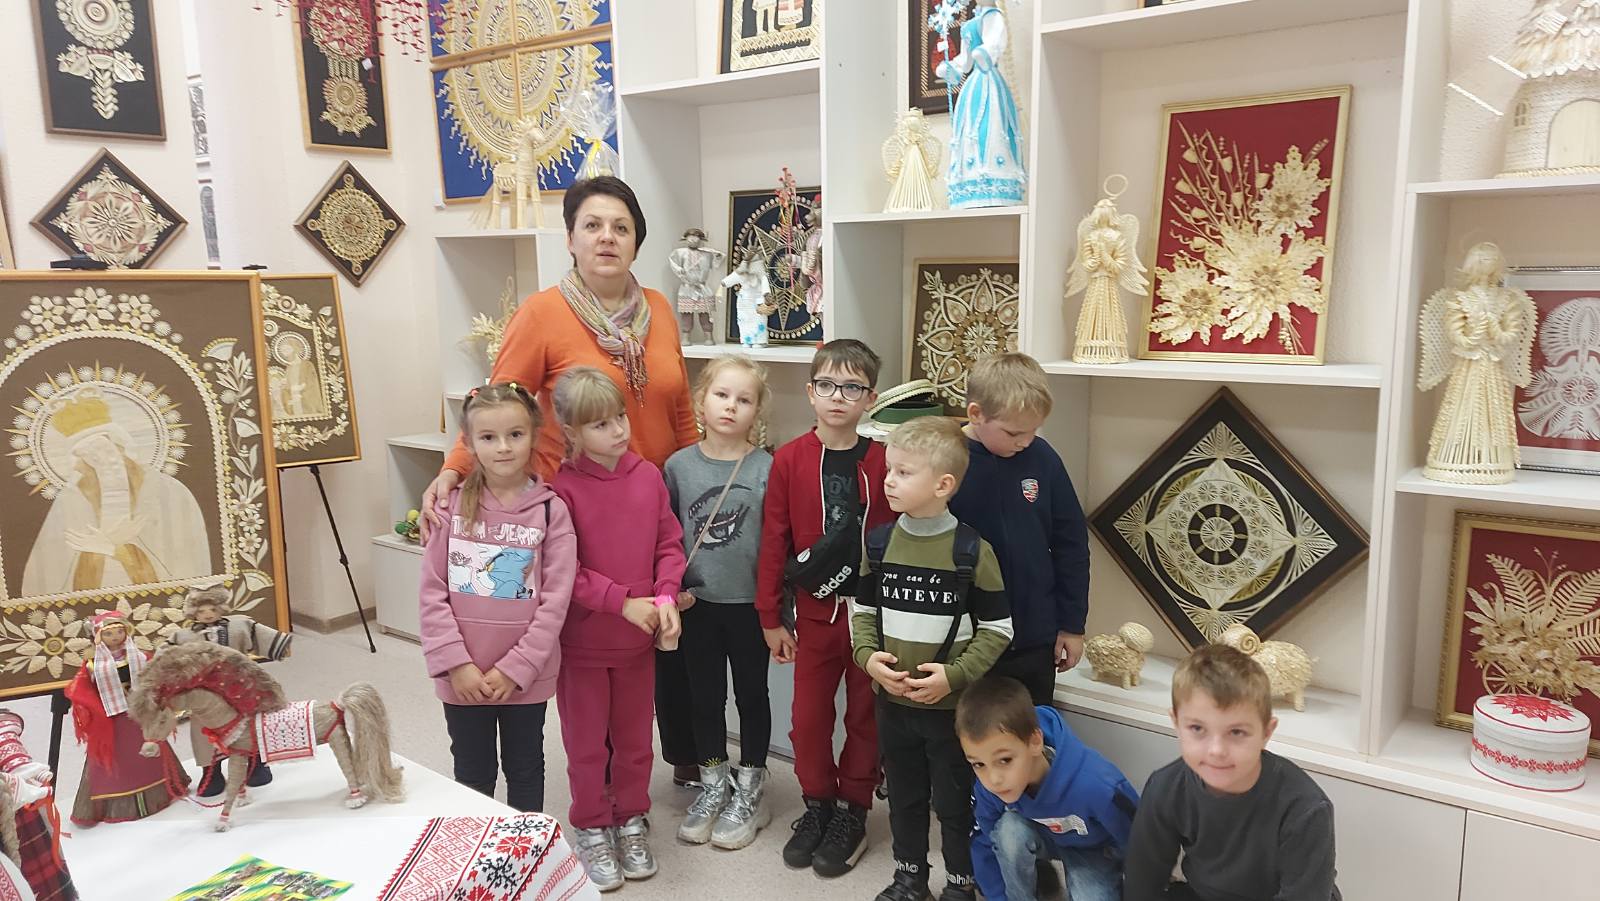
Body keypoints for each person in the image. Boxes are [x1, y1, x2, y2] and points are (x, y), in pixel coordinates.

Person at [420, 176, 700, 787]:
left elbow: (680, 409)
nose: (607, 237)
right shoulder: (542, 312)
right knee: (591, 653)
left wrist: (698, 480)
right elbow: (498, 403)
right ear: (570, 239)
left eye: (621, 227)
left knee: (656, 636)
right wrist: (453, 470)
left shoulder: (659, 308)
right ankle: (597, 788)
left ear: (637, 240)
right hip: (577, 512)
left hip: (651, 499)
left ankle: (665, 767)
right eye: (592, 225)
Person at [851, 416, 1013, 901]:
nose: (889, 481)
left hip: (951, 709)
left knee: (954, 802)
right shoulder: (879, 542)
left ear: (943, 485)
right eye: (889, 470)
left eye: (903, 472)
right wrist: (868, 659)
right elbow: (863, 612)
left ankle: (961, 882)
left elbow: (998, 628)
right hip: (893, 704)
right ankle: (909, 877)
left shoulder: (971, 550)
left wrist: (955, 675)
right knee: (904, 796)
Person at [756, 339, 894, 877]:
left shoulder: (884, 461)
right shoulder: (789, 459)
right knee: (808, 719)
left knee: (865, 717)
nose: (839, 397)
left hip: (871, 621)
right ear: (810, 391)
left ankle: (853, 809)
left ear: (870, 398)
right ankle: (817, 804)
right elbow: (774, 540)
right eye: (828, 385)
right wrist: (771, 617)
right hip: (814, 617)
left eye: (852, 387)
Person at [550, 368, 686, 893]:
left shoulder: (648, 476)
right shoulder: (561, 489)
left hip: (637, 644)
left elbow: (668, 545)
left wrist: (666, 595)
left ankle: (631, 818)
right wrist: (621, 602)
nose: (618, 430)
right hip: (583, 644)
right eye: (600, 424)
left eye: (620, 417)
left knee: (634, 742)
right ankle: (590, 825)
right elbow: (564, 569)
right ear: (572, 431)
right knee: (587, 745)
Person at [418, 383, 577, 814]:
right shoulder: (448, 508)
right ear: (469, 444)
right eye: (488, 437)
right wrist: (457, 665)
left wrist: (517, 667)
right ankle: (479, 849)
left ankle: (527, 850)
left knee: (525, 768)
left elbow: (555, 602)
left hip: (524, 678)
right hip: (462, 678)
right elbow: (432, 593)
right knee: (473, 772)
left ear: (535, 435)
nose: (503, 447)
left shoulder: (552, 512)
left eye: (515, 434)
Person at [1123, 645, 1341, 900]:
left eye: (1236, 732)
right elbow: (1142, 880)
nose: (1216, 751)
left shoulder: (1305, 808)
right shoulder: (1165, 787)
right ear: (1176, 723)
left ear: (1266, 732)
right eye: (1197, 728)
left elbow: (1304, 895)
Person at [664, 355, 775, 850]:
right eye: (721, 395)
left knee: (751, 696)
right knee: (704, 697)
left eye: (744, 399)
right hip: (698, 607)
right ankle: (713, 783)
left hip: (749, 607)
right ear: (701, 401)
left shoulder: (767, 468)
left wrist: (779, 611)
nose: (731, 406)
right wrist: (669, 590)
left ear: (757, 411)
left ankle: (750, 786)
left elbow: (776, 545)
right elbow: (666, 538)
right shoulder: (678, 467)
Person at [949, 353, 1090, 707]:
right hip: (967, 642)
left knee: (1034, 732)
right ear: (976, 414)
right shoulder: (945, 460)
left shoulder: (1044, 458)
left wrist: (1072, 625)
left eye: (1033, 431)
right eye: (1014, 433)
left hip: (1034, 639)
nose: (1025, 441)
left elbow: (1071, 545)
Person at [958, 675, 1138, 901]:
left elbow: (1139, 839)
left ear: (1035, 742)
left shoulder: (1098, 785)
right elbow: (986, 840)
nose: (993, 779)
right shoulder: (990, 788)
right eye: (978, 764)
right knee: (1008, 832)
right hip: (1041, 835)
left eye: (1005, 760)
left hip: (1093, 849)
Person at [22, 390, 211, 595]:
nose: (95, 461)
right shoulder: (71, 499)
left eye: (101, 450)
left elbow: (187, 566)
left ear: (120, 447)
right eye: (85, 455)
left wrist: (113, 549)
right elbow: (49, 576)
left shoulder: (170, 491)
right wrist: (95, 553)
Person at [65, 611, 190, 826]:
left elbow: (155, 679)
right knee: (117, 758)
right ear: (99, 637)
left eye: (119, 632)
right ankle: (118, 803)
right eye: (109, 633)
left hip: (140, 714)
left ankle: (158, 794)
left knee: (150, 749)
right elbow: (81, 690)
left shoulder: (140, 657)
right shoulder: (93, 665)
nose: (115, 637)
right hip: (113, 719)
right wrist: (90, 709)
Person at [171, 582, 294, 797]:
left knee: (248, 722)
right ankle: (211, 772)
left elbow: (262, 636)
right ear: (193, 612)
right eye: (201, 610)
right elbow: (166, 660)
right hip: (205, 693)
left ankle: (255, 763)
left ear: (221, 607)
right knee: (203, 730)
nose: (208, 614)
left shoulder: (240, 625)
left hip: (240, 686)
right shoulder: (183, 637)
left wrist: (279, 649)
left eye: (213, 608)